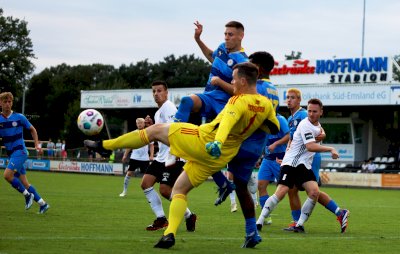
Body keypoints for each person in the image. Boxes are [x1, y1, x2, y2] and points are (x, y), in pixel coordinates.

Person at [84, 62, 280, 249]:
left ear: (243, 81)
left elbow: (228, 122)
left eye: (234, 80)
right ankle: (169, 234)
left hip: (205, 140)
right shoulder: (265, 104)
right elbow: (274, 127)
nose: (232, 83)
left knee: (154, 130)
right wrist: (255, 122)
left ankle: (105, 146)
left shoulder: (237, 100)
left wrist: (218, 142)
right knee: (179, 189)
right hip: (221, 157)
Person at [256, 98, 339, 232]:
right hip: (291, 163)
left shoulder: (316, 125)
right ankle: (259, 221)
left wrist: (323, 134)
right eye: (310, 111)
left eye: (314, 111)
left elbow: (319, 130)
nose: (311, 114)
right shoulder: (305, 124)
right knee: (282, 192)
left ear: (321, 112)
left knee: (314, 192)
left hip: (303, 165)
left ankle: (299, 225)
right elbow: (310, 146)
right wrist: (331, 149)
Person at [274, 88, 349, 233]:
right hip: (297, 159)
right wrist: (287, 157)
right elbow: (292, 139)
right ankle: (299, 222)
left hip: (309, 157)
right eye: (287, 97)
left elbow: (319, 131)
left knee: (310, 191)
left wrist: (323, 135)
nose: (289, 100)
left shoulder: (304, 114)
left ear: (299, 100)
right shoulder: (291, 118)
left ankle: (301, 222)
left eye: (292, 98)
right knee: (297, 190)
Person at [139, 81, 196, 232]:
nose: (156, 94)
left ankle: (189, 215)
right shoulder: (158, 113)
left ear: (166, 93)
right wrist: (152, 126)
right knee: (146, 184)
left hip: (172, 156)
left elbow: (174, 131)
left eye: (159, 91)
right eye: (154, 91)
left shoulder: (169, 107)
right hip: (161, 157)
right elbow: (160, 134)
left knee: (165, 190)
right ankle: (161, 219)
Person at [174, 20, 248, 123]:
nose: (226, 37)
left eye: (230, 34)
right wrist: (197, 39)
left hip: (225, 105)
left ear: (241, 36)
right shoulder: (222, 47)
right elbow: (211, 57)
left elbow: (240, 92)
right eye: (225, 34)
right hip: (208, 97)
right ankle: (174, 133)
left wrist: (219, 82)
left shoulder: (243, 62)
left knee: (216, 136)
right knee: (186, 101)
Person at [0, 92, 50, 214]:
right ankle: (43, 204)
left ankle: (27, 196)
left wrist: (37, 144)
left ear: (12, 103)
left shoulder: (19, 117)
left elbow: (33, 130)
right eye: (5, 102)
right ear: (0, 103)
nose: (7, 104)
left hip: (20, 152)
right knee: (25, 183)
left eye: (9, 102)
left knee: (7, 175)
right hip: (12, 154)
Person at [257, 113, 290, 225]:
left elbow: (288, 136)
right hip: (267, 159)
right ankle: (265, 216)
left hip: (281, 159)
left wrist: (275, 144)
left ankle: (297, 220)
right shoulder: (262, 120)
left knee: (286, 190)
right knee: (261, 186)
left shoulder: (280, 119)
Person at [119, 118, 154, 197]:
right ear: (136, 124)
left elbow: (151, 145)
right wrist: (125, 155)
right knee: (129, 173)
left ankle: (149, 193)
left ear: (144, 124)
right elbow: (129, 146)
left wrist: (151, 155)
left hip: (145, 159)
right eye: (138, 123)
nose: (139, 124)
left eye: (141, 123)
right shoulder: (134, 133)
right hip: (134, 157)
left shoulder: (148, 133)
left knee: (148, 176)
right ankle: (124, 191)